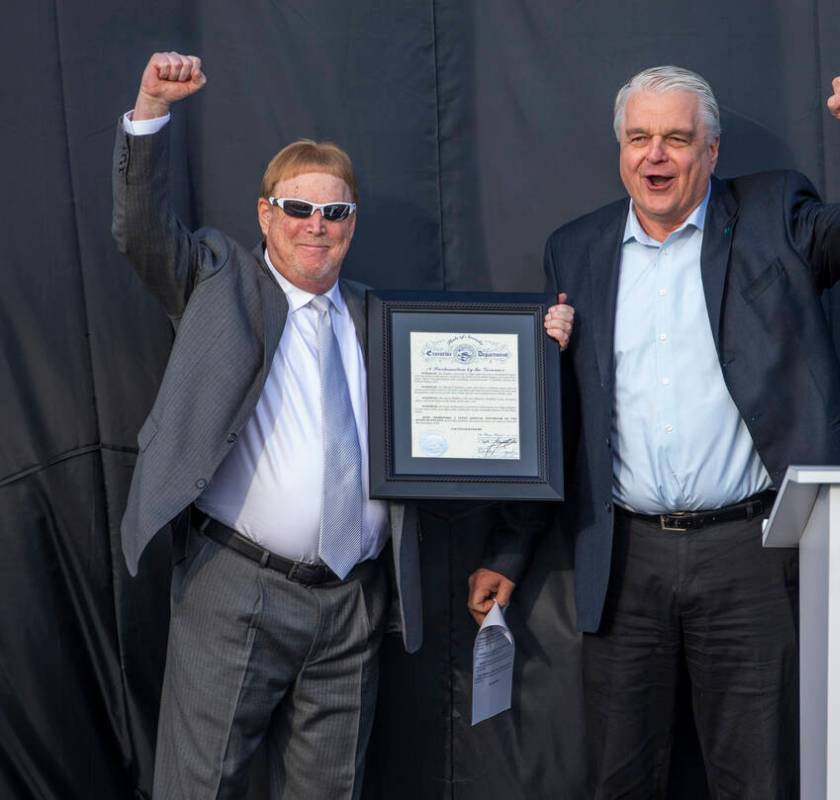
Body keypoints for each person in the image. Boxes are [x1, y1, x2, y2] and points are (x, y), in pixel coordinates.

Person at [113, 52, 572, 797]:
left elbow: (470, 398)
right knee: (200, 788)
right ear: (265, 214)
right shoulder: (217, 278)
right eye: (297, 209)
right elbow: (139, 230)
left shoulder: (384, 320)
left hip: (352, 600)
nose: (315, 226)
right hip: (237, 588)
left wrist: (535, 347)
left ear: (353, 224)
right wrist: (150, 110)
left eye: (335, 212)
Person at [468, 65, 840, 797]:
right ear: (619, 149)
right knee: (620, 773)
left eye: (676, 139)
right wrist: (510, 551)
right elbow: (565, 419)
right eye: (639, 137)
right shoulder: (575, 250)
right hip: (626, 556)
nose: (655, 156)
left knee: (757, 774)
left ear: (710, 151)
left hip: (750, 553)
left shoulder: (772, 212)